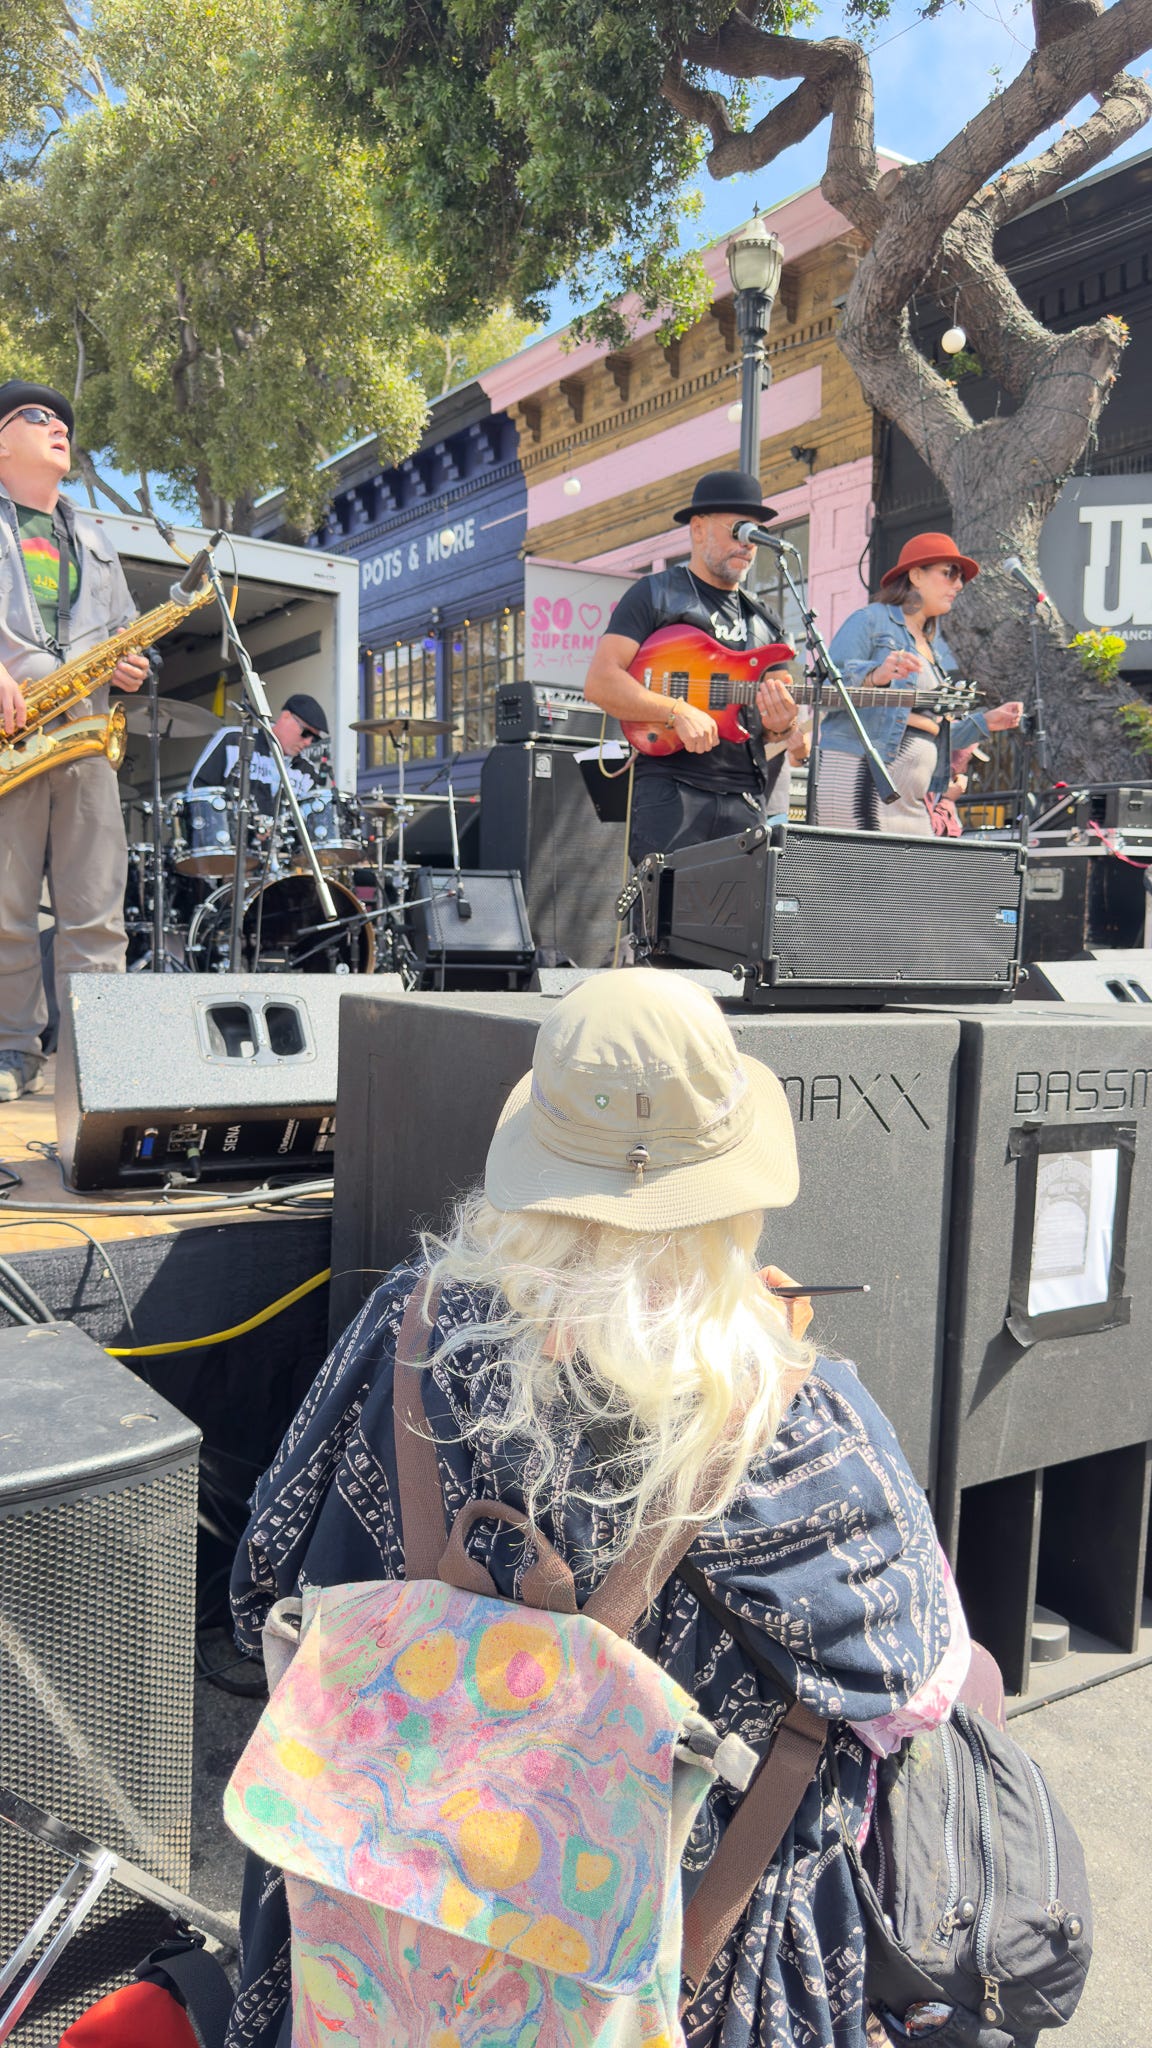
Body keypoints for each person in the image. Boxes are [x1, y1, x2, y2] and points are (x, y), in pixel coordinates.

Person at [226, 969, 970, 2048]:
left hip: (376, 1922)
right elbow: (911, 1676)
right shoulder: (795, 1419)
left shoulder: (410, 1324)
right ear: (731, 1195)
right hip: (659, 1963)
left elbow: (262, 1581)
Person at [0, 379, 149, 1103]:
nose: (58, 424)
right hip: (9, 737)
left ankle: (101, 1057)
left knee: (96, 908)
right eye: (38, 415)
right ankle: (13, 1049)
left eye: (63, 419)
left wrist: (132, 663)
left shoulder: (95, 538)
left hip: (85, 735)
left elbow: (124, 631)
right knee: (5, 908)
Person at [584, 471, 808, 868]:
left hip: (745, 798)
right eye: (738, 530)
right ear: (698, 528)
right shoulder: (655, 595)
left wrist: (783, 725)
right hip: (671, 790)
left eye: (755, 533)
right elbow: (601, 682)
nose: (748, 544)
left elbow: (775, 728)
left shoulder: (766, 623)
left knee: (742, 908)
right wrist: (676, 711)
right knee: (666, 906)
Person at [820, 533, 1023, 836]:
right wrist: (875, 675)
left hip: (910, 798)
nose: (958, 585)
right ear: (915, 575)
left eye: (960, 578)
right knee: (861, 869)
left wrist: (986, 722)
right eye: (949, 573)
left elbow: (929, 730)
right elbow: (824, 691)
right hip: (861, 780)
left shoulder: (930, 650)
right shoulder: (870, 621)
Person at [186, 690, 328, 817]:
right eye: (306, 733)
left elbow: (312, 821)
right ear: (286, 717)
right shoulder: (234, 741)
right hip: (230, 836)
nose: (308, 742)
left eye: (314, 739)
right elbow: (197, 792)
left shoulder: (308, 772)